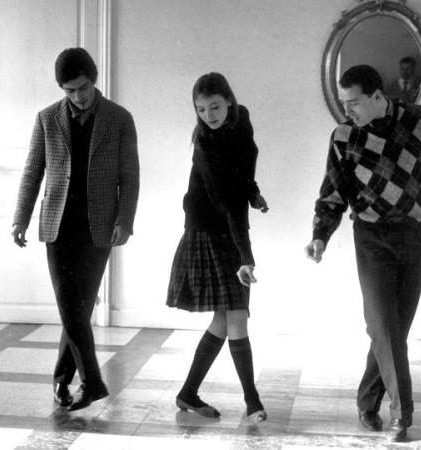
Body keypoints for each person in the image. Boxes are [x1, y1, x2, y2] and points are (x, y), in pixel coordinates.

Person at [305, 65, 421, 442]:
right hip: (371, 238)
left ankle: (366, 400)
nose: (347, 110)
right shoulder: (344, 136)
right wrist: (320, 236)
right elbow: (333, 193)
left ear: (377, 96)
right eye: (343, 103)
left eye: (353, 102)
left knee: (394, 329)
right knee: (382, 324)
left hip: (414, 236)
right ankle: (401, 415)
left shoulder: (417, 121)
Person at [11, 47, 139, 412]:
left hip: (99, 227)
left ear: (93, 81)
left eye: (83, 88)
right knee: (70, 305)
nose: (78, 96)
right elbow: (32, 171)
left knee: (77, 311)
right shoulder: (46, 118)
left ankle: (61, 379)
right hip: (58, 225)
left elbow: (130, 176)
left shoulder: (119, 118)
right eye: (69, 90)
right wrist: (20, 218)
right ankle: (93, 382)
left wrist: (125, 221)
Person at [166, 72, 269, 424]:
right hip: (208, 231)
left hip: (229, 227)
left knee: (226, 320)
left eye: (214, 107)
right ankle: (252, 402)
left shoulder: (242, 121)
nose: (208, 115)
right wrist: (246, 257)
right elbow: (226, 202)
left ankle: (188, 394)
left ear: (229, 101)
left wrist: (253, 193)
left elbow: (244, 169)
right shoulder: (205, 146)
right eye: (201, 109)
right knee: (235, 314)